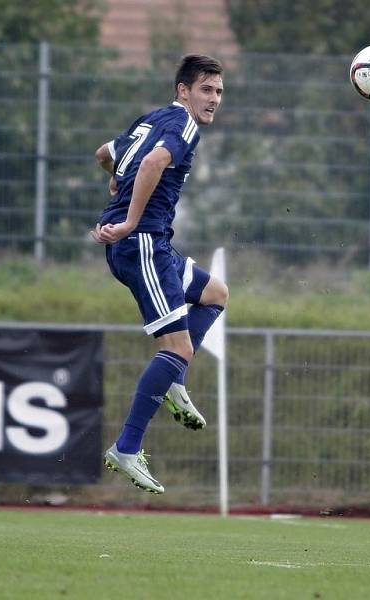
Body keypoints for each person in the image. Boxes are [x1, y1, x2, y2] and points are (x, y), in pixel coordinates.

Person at [90, 54, 228, 494]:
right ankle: (127, 448)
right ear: (183, 91)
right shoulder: (183, 124)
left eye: (219, 91)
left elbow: (105, 154)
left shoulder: (150, 120)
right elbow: (151, 165)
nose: (214, 99)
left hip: (154, 246)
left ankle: (175, 383)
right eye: (206, 89)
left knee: (215, 293)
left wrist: (117, 180)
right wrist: (130, 219)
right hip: (142, 243)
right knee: (178, 346)